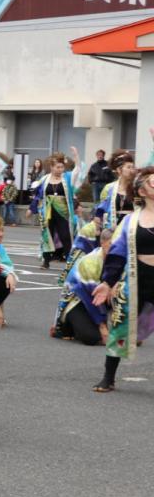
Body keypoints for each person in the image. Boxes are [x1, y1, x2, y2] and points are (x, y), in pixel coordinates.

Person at [90, 166, 154, 393]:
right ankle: (108, 377)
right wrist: (107, 282)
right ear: (141, 190)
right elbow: (117, 255)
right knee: (120, 325)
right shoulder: (131, 221)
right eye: (152, 181)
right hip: (138, 277)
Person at [51, 228, 111, 346]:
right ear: (102, 243)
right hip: (78, 300)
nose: (116, 249)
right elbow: (91, 297)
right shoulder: (91, 261)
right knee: (91, 337)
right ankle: (67, 324)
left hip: (99, 301)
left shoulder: (118, 261)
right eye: (111, 244)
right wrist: (102, 325)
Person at [30, 148, 84, 269]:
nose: (60, 169)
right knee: (47, 235)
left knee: (65, 235)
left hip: (63, 211)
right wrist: (32, 208)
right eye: (57, 167)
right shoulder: (45, 179)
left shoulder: (67, 178)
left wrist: (76, 156)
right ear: (52, 167)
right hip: (48, 211)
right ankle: (46, 261)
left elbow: (77, 171)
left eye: (62, 167)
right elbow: (38, 194)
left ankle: (70, 261)